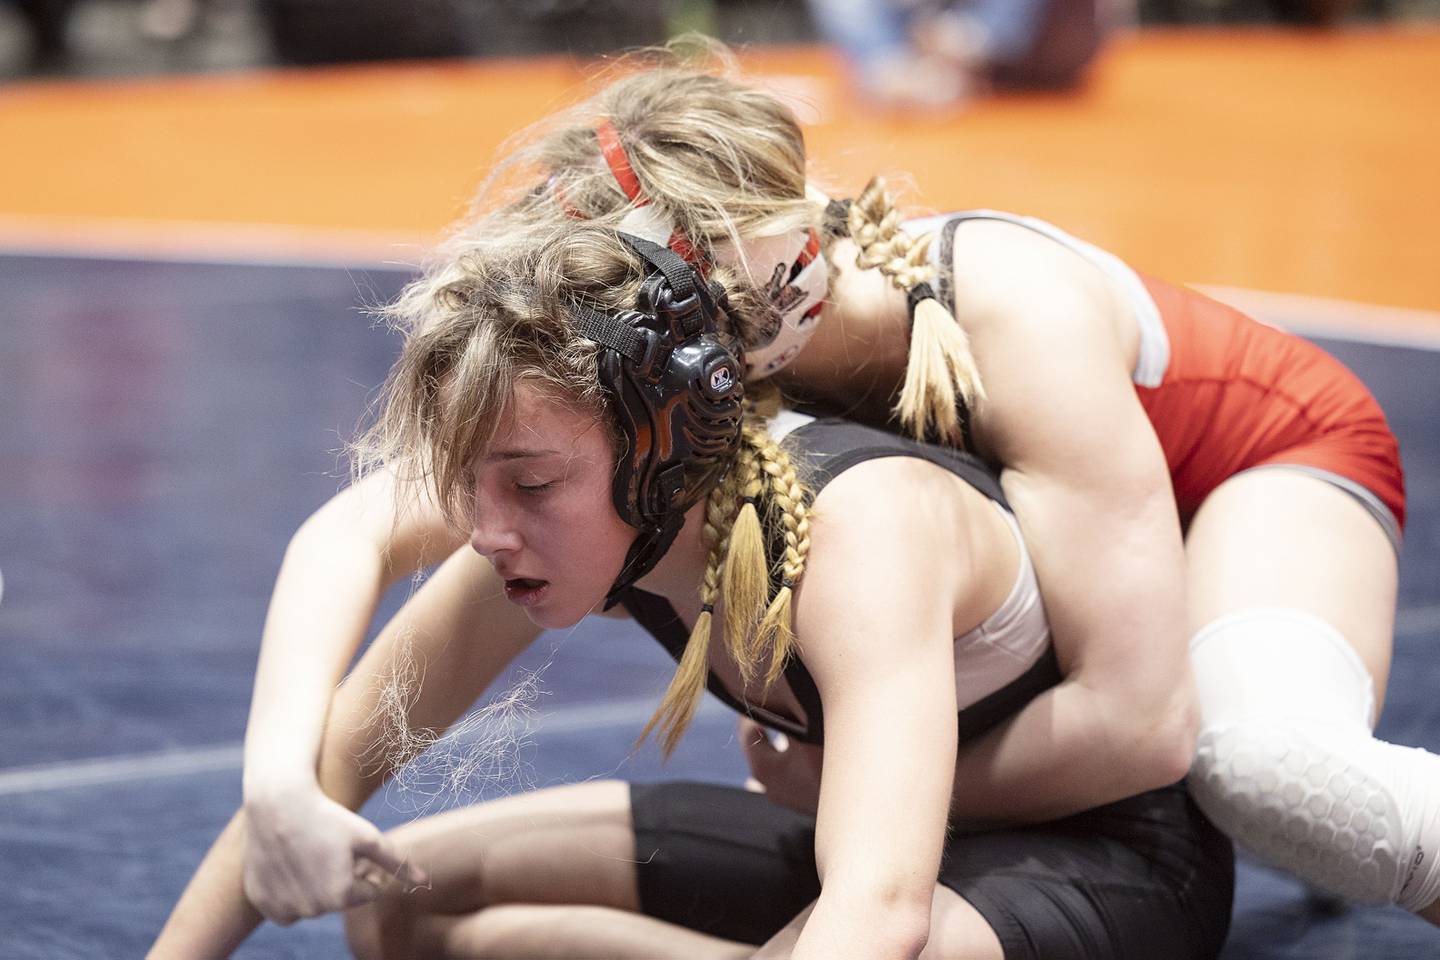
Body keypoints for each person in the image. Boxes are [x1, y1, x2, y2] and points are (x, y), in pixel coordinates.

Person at [165, 36, 1438, 945]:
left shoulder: (1005, 321)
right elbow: (365, 527)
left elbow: (1136, 725)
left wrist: (846, 775)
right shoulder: (670, 415)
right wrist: (280, 779)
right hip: (1049, 613)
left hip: (1259, 460)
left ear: (663, 317)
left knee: (1251, 759)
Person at [150, 222, 1235, 959]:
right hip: (860, 844)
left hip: (1100, 858)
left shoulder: (859, 533)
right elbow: (337, 725)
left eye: (528, 485)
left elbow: (878, 914)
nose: (485, 533)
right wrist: (277, 791)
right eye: (468, 487)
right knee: (391, 912)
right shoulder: (583, 506)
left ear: (660, 456)